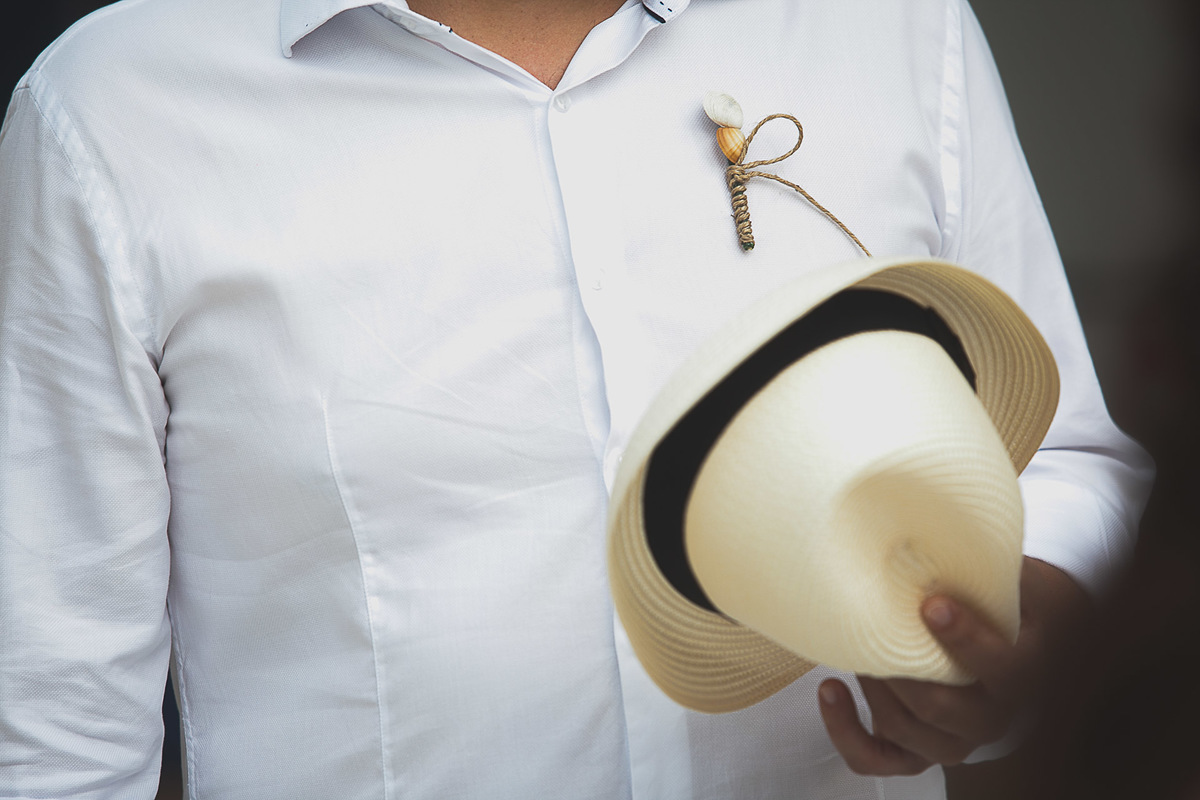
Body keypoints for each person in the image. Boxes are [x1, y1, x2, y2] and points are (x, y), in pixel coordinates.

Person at [0, 0, 1152, 798]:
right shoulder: (113, 113)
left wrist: (1014, 643)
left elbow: (1061, 461)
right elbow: (53, 730)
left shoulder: (895, 27)